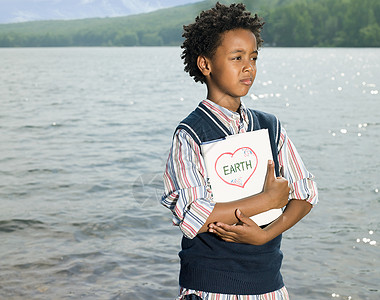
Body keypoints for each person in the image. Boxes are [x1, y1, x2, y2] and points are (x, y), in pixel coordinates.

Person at [161, 2, 318, 299]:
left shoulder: (270, 126)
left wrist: (266, 234)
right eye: (236, 57)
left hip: (269, 286)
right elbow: (196, 216)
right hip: (210, 288)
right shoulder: (190, 134)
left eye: (253, 57)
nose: (249, 67)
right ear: (205, 64)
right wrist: (267, 199)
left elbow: (306, 193)